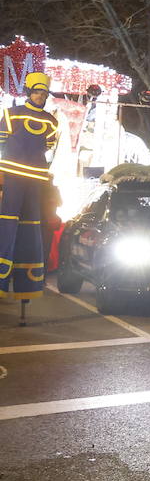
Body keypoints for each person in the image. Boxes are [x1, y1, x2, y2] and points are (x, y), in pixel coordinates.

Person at [0, 72, 61, 320]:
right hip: (10, 180)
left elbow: (46, 147)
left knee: (30, 230)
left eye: (44, 93)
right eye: (36, 92)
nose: (40, 96)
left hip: (35, 183)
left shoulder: (51, 121)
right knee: (6, 226)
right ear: (28, 92)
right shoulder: (10, 114)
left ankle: (28, 281)